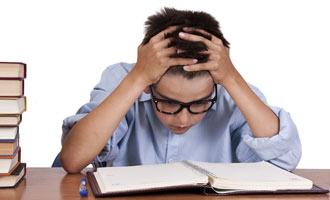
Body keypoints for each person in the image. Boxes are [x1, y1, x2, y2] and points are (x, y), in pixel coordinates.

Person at [60, 8, 301, 173]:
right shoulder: (125, 80)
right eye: (168, 103)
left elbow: (284, 160)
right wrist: (138, 78)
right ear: (149, 86)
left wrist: (232, 78)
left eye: (199, 104)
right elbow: (73, 160)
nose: (183, 119)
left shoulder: (230, 88)